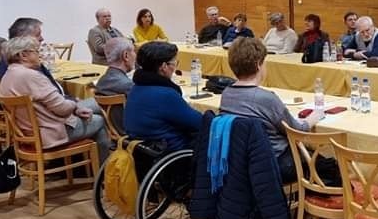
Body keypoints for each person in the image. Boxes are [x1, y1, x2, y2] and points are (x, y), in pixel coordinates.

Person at [221, 37, 337, 184]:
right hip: (275, 163)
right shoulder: (266, 98)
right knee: (332, 167)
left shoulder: (226, 94)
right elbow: (297, 130)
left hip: (242, 162)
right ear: (258, 65)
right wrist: (314, 116)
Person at [0, 36, 111, 162]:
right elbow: (62, 109)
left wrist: (75, 108)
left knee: (95, 104)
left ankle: (96, 166)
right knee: (99, 118)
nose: (40, 55)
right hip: (51, 133)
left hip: (28, 133)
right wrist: (75, 105)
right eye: (37, 51)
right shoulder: (31, 76)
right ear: (23, 55)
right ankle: (104, 167)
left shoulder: (7, 76)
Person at [124, 42, 204, 152]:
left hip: (143, 150)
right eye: (175, 63)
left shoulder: (136, 88)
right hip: (172, 152)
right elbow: (199, 122)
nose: (175, 67)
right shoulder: (165, 95)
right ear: (164, 67)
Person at [95, 37, 136, 135]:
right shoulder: (128, 86)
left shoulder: (101, 81)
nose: (135, 55)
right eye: (134, 51)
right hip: (132, 136)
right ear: (126, 55)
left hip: (115, 134)